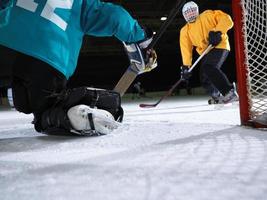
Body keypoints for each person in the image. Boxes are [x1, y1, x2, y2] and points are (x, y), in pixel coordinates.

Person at [0, 0, 157, 136]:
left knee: (24, 101)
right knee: (45, 109)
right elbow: (113, 16)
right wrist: (140, 36)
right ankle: (69, 114)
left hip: (4, 41)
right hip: (48, 56)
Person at [179, 1, 238, 104]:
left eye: (192, 11)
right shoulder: (185, 31)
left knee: (209, 67)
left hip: (220, 45)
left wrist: (217, 31)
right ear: (184, 15)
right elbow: (186, 48)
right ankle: (217, 96)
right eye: (187, 12)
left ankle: (229, 92)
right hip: (206, 52)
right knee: (204, 77)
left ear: (197, 11)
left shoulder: (207, 15)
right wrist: (186, 66)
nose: (190, 14)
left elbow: (227, 19)